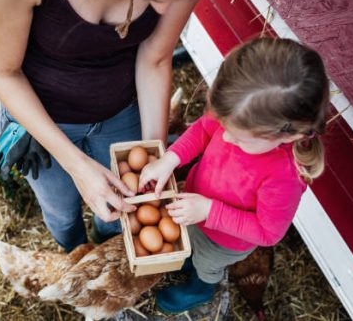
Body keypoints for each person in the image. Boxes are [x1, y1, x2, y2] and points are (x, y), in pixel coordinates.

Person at [0, 0, 220, 252]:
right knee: (61, 209)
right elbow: (3, 72)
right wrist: (76, 165)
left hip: (122, 110)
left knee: (122, 208)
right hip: (41, 120)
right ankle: (73, 250)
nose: (164, 10)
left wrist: (154, 153)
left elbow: (155, 58)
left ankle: (107, 244)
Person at [138, 37, 329, 313]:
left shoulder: (285, 176)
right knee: (187, 239)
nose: (225, 136)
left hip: (224, 240)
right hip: (194, 203)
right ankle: (189, 257)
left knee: (207, 264)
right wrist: (171, 158)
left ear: (291, 134)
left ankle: (200, 289)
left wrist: (209, 211)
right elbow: (204, 129)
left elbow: (267, 232)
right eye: (225, 126)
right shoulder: (240, 112)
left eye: (239, 139)